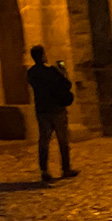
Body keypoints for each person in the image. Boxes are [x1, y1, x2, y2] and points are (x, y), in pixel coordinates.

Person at [26, 45, 78, 183]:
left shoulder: (31, 73)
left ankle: (44, 170)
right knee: (63, 140)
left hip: (42, 110)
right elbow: (66, 84)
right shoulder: (51, 71)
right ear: (43, 55)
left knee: (44, 140)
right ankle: (66, 168)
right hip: (56, 109)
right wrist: (63, 72)